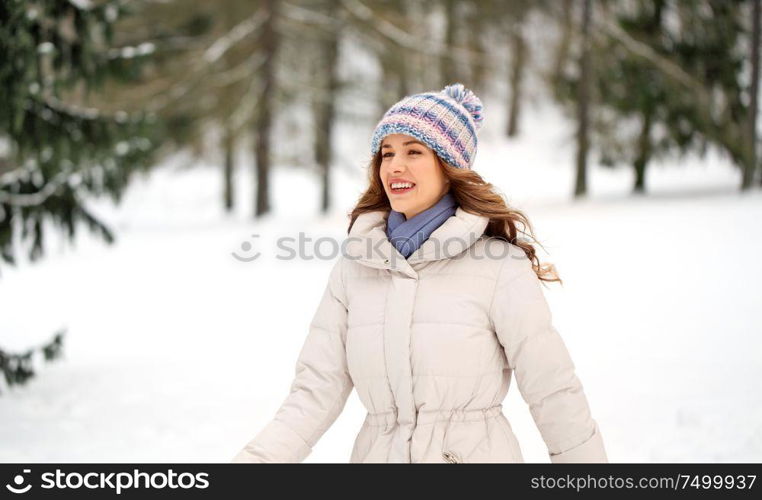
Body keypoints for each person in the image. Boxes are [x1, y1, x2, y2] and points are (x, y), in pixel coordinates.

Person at [231, 83, 608, 463]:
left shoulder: (497, 266)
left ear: (449, 169)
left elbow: (552, 387)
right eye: (387, 153)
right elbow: (315, 391)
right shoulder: (354, 268)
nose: (395, 165)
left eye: (414, 152)